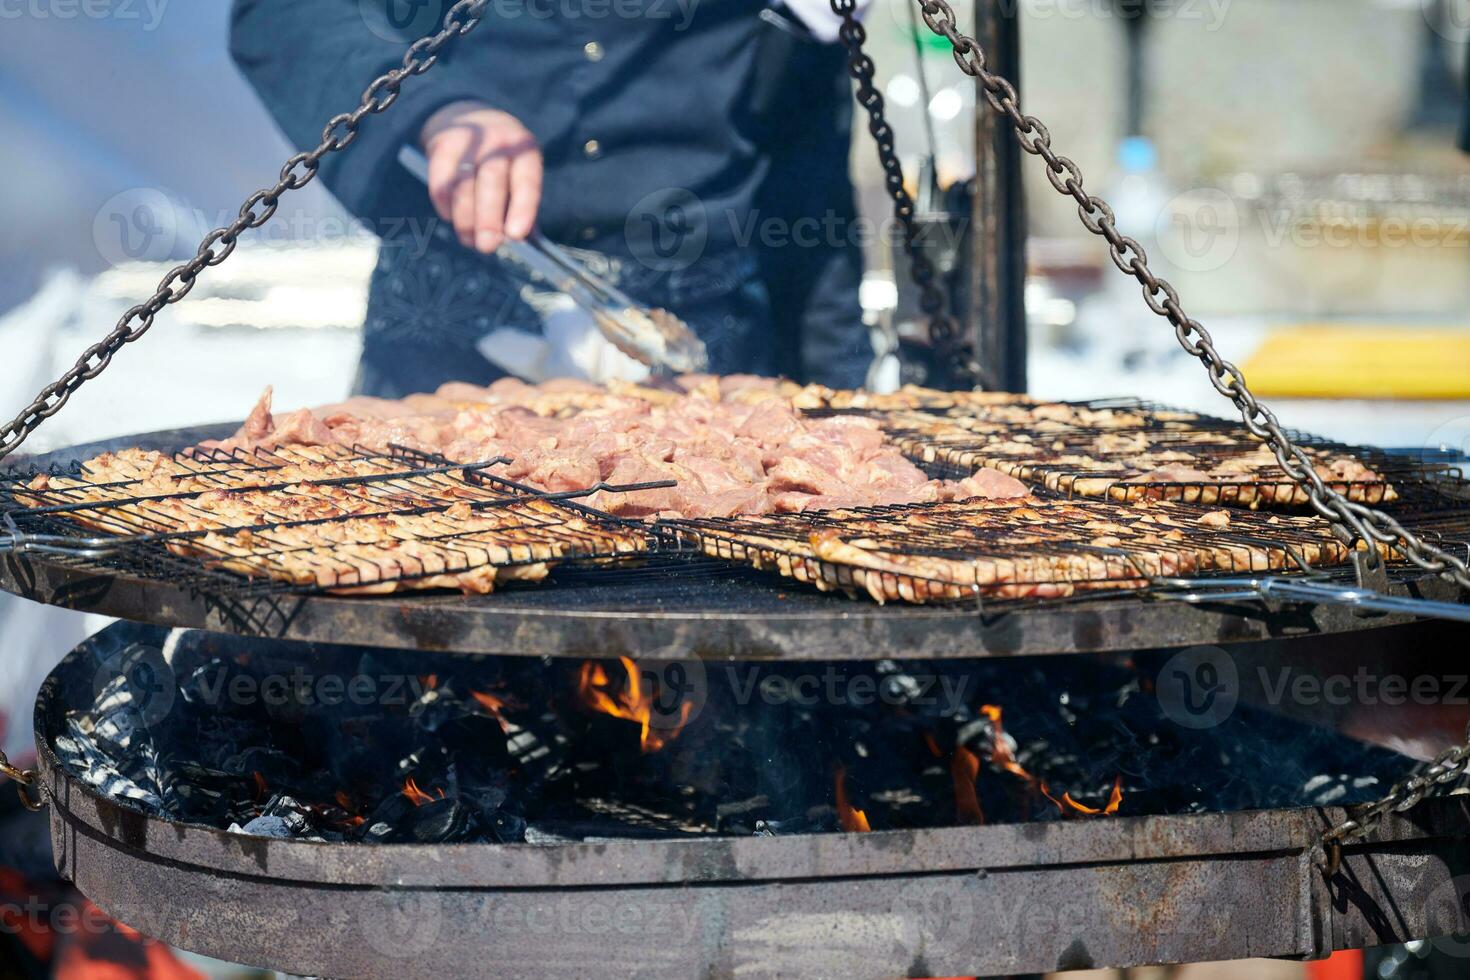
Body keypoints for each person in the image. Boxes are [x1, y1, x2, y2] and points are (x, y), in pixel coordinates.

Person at [229, 0, 872, 397]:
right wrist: (434, 109)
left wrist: (835, 381)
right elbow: (286, 12)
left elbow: (808, 159)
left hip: (702, 351)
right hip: (451, 336)